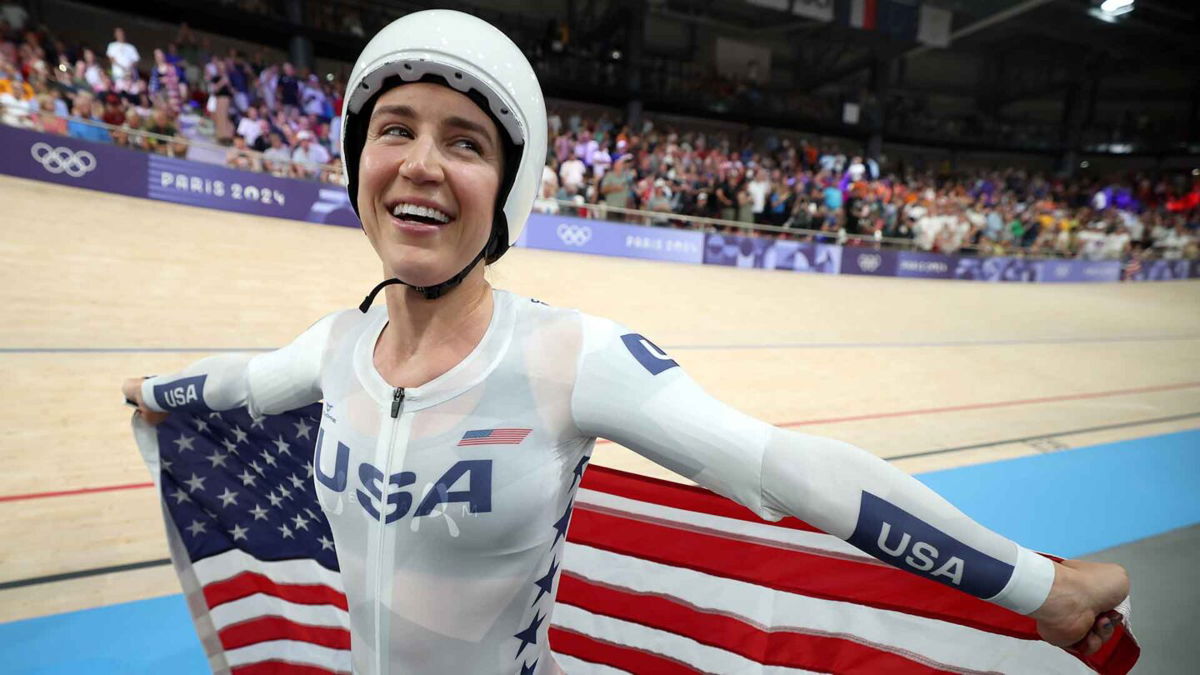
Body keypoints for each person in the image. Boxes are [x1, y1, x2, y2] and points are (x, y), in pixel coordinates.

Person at [122, 10, 1129, 675]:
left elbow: (794, 472)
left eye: (464, 141)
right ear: (359, 159)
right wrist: (155, 390)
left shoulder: (571, 358)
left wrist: (1041, 589)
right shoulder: (334, 347)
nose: (421, 164)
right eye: (395, 129)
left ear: (506, 188)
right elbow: (242, 387)